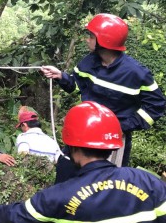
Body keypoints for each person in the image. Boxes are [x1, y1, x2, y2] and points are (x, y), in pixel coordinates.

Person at [0, 101, 166, 223]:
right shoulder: (149, 183)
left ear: (71, 146)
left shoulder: (59, 196)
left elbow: (19, 214)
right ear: (112, 145)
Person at [41, 13, 165, 167]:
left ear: (104, 41)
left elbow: (157, 105)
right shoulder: (89, 62)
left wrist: (124, 125)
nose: (87, 40)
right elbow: (77, 86)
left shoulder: (136, 73)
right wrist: (60, 76)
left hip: (112, 139)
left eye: (91, 36)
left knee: (105, 184)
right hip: (84, 131)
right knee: (68, 172)